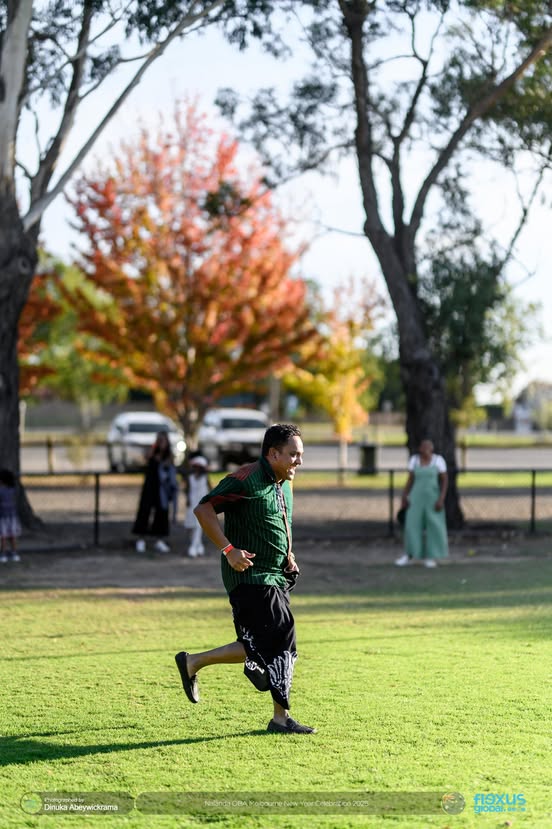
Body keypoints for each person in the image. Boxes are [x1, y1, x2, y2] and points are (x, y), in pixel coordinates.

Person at [174, 423, 316, 735]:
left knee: (270, 641)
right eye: (293, 455)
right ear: (273, 453)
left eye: (301, 455)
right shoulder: (246, 479)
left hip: (275, 574)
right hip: (249, 575)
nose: (299, 462)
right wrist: (228, 549)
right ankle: (279, 716)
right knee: (282, 635)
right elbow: (203, 508)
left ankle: (194, 663)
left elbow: (281, 521)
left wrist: (289, 554)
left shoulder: (284, 483)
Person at [395, 438, 448, 568]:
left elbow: (444, 481)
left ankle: (431, 556)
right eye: (422, 447)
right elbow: (410, 480)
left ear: (431, 449)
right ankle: (410, 554)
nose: (424, 451)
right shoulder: (414, 461)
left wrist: (441, 498)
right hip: (416, 498)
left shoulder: (438, 461)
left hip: (433, 498)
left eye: (427, 448)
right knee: (412, 525)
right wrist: (404, 496)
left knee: (434, 526)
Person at [132, 431, 178, 554]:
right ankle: (141, 539)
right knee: (144, 511)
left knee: (162, 513)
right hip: (150, 486)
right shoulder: (153, 452)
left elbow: (172, 468)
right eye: (160, 440)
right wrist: (154, 449)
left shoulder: (169, 455)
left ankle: (159, 540)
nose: (162, 443)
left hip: (162, 489)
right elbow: (145, 459)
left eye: (164, 440)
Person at [182, 455, 211, 557]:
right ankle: (198, 545)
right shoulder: (190, 478)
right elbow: (187, 491)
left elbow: (210, 491)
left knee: (199, 526)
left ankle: (193, 547)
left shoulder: (205, 478)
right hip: (192, 506)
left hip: (202, 505)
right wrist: (188, 500)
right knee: (191, 526)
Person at [0, 469, 21, 563]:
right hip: (13, 516)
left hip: (2, 516)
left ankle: (3, 554)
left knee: (3, 536)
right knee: (13, 536)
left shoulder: (1, 491)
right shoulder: (13, 490)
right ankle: (14, 553)